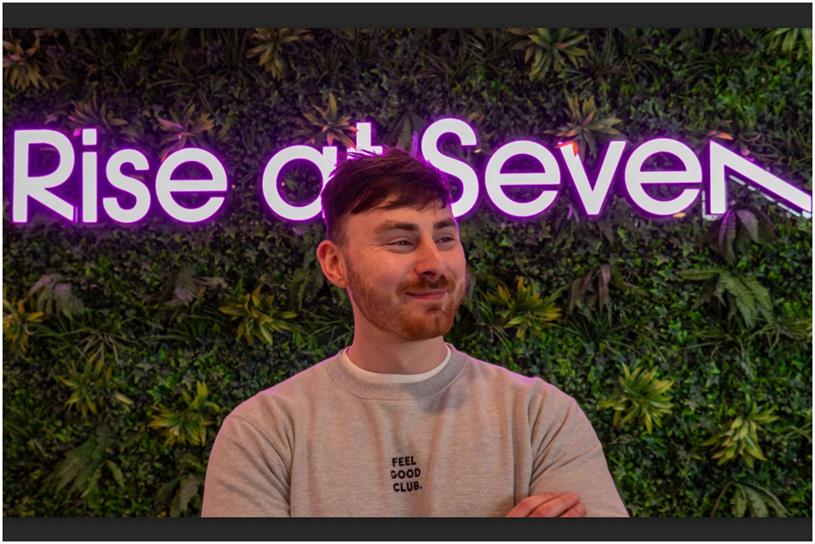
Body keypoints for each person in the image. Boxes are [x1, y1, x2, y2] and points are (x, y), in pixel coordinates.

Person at [201, 148, 629, 517]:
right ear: (335, 264)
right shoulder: (265, 433)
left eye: (445, 238)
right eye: (401, 242)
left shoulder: (540, 418)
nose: (434, 264)